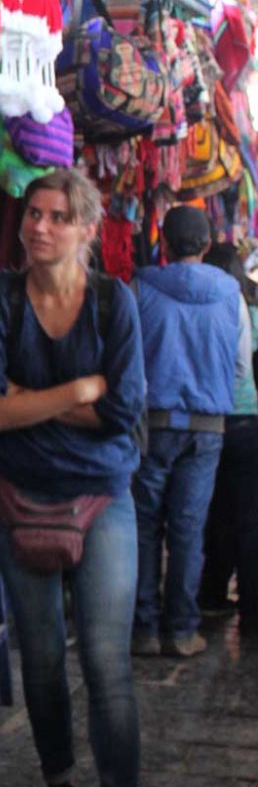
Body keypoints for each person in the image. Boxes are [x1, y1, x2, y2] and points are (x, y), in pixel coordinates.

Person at [0, 166, 155, 787]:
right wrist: (75, 389)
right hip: (18, 495)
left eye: (57, 215)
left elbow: (123, 412)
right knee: (40, 654)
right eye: (33, 213)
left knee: (105, 657)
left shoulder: (113, 303)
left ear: (85, 226)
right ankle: (58, 782)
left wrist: (26, 399)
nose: (40, 226)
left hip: (102, 496)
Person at [132, 206, 245, 658]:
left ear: (163, 242)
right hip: (207, 429)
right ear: (207, 243)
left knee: (143, 527)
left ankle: (141, 629)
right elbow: (240, 366)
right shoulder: (232, 294)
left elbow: (125, 358)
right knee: (188, 528)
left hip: (152, 425)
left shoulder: (140, 287)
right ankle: (181, 631)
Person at [198, 243, 258, 628]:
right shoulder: (250, 309)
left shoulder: (205, 309)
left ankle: (212, 594)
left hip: (208, 420)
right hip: (249, 422)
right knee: (250, 517)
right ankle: (252, 608)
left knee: (213, 515)